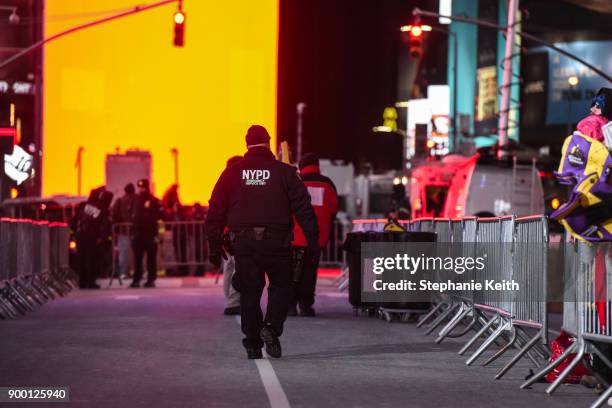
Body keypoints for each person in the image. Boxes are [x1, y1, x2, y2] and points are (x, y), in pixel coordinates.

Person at [205, 125, 318, 359]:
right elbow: (304, 209)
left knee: (249, 293)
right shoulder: (285, 172)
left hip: (244, 244)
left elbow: (214, 211)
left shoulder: (232, 173)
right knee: (281, 288)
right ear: (268, 142)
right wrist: (313, 241)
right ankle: (271, 328)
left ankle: (253, 344)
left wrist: (214, 247)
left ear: (246, 144)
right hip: (277, 242)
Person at [288, 153, 338, 317]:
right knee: (310, 273)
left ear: (301, 166)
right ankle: (306, 306)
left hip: (296, 237)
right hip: (317, 238)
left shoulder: (296, 182)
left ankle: (291, 306)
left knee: (294, 272)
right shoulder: (328, 184)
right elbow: (333, 210)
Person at [75, 187, 113, 289]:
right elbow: (102, 224)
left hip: (80, 235)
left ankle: (82, 282)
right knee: (91, 259)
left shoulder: (84, 206)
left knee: (82, 260)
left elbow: (75, 221)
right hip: (91, 236)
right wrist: (102, 237)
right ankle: (90, 282)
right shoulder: (100, 208)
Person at [220, 155, 243, 316]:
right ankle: (233, 301)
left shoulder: (223, 184)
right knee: (237, 267)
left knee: (228, 267)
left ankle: (229, 298)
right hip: (235, 231)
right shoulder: (238, 185)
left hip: (225, 232)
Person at [130, 179, 162, 288]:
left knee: (151, 258)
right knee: (137, 259)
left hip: (150, 233)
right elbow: (131, 213)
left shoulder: (153, 200)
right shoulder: (136, 200)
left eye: (143, 187)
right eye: (140, 187)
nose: (141, 189)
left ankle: (151, 280)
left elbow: (158, 215)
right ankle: (136, 280)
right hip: (138, 233)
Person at [162, 184, 188, 276]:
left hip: (178, 231)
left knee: (179, 250)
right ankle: (182, 269)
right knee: (179, 250)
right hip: (178, 230)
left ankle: (182, 269)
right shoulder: (172, 197)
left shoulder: (169, 196)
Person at [111, 183, 136, 280]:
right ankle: (137, 272)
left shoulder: (120, 200)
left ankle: (123, 272)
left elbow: (113, 214)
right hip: (136, 231)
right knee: (137, 254)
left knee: (123, 253)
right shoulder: (137, 199)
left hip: (123, 231)